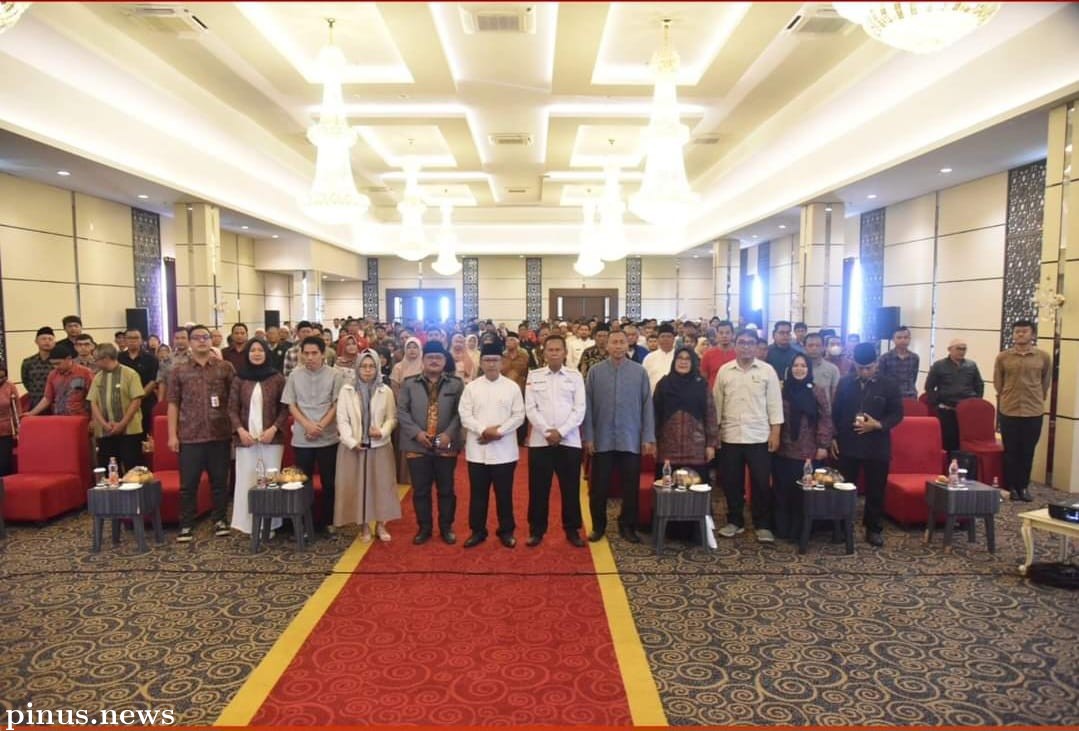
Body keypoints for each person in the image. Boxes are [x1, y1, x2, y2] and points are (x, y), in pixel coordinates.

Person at [583, 329, 655, 543]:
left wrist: (647, 437)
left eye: (621, 342)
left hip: (630, 439)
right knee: (599, 487)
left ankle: (627, 526)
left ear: (627, 345)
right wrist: (589, 437)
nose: (617, 346)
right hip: (602, 439)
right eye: (613, 342)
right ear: (607, 346)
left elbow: (647, 406)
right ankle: (598, 526)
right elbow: (587, 407)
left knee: (630, 487)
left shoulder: (639, 372)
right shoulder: (595, 372)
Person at [167, 324, 236, 542]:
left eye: (205, 337)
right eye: (196, 338)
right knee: (188, 484)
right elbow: (173, 403)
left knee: (220, 482)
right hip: (190, 435)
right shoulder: (179, 370)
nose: (202, 341)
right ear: (189, 342)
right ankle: (187, 523)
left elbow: (234, 401)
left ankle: (220, 520)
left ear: (211, 340)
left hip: (220, 434)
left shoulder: (225, 368)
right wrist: (172, 435)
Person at [713, 330, 784, 543]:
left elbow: (775, 404)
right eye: (742, 342)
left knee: (761, 483)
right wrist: (715, 434)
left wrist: (775, 433)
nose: (746, 346)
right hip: (730, 435)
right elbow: (716, 404)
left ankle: (762, 524)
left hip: (759, 436)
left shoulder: (767, 371)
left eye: (750, 343)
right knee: (731, 482)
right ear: (735, 345)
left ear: (756, 346)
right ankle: (735, 521)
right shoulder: (725, 371)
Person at [831, 343, 903, 547]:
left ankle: (873, 528)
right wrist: (833, 437)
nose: (864, 372)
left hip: (877, 445)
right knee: (844, 488)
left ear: (876, 363)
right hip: (848, 443)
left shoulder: (889, 385)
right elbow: (835, 413)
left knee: (875, 490)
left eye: (869, 368)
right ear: (854, 364)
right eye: (860, 368)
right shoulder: (845, 382)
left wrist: (878, 425)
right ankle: (843, 527)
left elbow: (897, 414)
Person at [397, 341, 464, 545]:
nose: (434, 361)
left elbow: (461, 412)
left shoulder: (456, 384)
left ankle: (446, 528)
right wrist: (417, 433)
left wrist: (449, 434)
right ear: (423, 360)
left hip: (446, 444)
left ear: (444, 360)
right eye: (430, 357)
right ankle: (424, 528)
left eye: (438, 357)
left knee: (446, 489)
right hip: (417, 444)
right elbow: (402, 411)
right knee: (420, 490)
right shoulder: (409, 383)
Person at [460, 342, 526, 548]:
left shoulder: (512, 387)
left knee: (504, 494)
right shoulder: (471, 388)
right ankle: (477, 531)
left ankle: (506, 531)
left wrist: (499, 432)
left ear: (502, 362)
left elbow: (519, 416)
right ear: (481, 363)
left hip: (504, 452)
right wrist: (483, 430)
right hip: (477, 451)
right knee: (478, 495)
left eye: (495, 360)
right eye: (487, 360)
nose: (491, 364)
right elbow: (465, 415)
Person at [524, 334, 586, 547]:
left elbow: (579, 409)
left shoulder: (575, 376)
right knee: (538, 488)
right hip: (540, 442)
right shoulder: (534, 376)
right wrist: (547, 431)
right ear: (544, 353)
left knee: (570, 489)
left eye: (558, 350)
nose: (554, 353)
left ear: (565, 353)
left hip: (569, 441)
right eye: (550, 350)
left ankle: (572, 530)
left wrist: (561, 432)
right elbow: (530, 408)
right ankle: (536, 530)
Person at [335, 348, 400, 541]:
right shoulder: (347, 390)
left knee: (382, 486)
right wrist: (351, 441)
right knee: (359, 487)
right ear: (357, 367)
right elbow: (342, 419)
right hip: (354, 447)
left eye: (372, 366)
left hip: (380, 446)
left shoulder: (385, 391)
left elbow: (392, 418)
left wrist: (382, 431)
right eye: (363, 366)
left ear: (377, 367)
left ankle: (381, 524)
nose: (368, 370)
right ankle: (363, 526)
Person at [282, 336, 343, 537]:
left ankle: (329, 521)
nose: (310, 357)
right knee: (303, 482)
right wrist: (307, 425)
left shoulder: (335, 375)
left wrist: (321, 426)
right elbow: (291, 404)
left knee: (330, 482)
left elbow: (337, 404)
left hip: (328, 436)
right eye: (306, 353)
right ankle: (303, 523)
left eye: (314, 353)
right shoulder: (294, 375)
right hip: (303, 437)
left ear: (323, 354)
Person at [227, 338, 288, 535]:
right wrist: (240, 431)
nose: (256, 353)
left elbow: (285, 408)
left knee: (269, 481)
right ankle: (248, 525)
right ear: (247, 354)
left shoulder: (277, 378)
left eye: (260, 350)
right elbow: (232, 408)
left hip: (271, 440)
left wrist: (273, 429)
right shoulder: (239, 378)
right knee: (247, 479)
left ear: (266, 353)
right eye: (252, 350)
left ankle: (270, 525)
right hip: (246, 440)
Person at [772, 353, 833, 541]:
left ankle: (801, 531)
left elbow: (825, 418)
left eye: (803, 366)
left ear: (809, 369)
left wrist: (823, 444)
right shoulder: (781, 390)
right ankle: (782, 529)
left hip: (808, 450)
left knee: (803, 493)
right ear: (789, 369)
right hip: (783, 449)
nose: (799, 369)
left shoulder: (817, 390)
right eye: (796, 365)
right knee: (783, 491)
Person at [994, 320, 1051, 502]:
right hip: (1009, 409)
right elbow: (998, 383)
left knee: (1027, 451)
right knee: (1011, 450)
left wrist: (1037, 397)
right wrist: (1006, 395)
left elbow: (1045, 381)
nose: (1020, 334)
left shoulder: (1043, 357)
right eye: (1017, 331)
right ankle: (1011, 486)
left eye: (1024, 331)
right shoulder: (1003, 357)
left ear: (1032, 334)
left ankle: (1023, 486)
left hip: (1033, 411)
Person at [654, 346, 718, 488]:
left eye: (687, 359)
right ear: (674, 361)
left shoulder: (701, 385)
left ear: (693, 362)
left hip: (696, 449)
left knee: (697, 488)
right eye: (680, 358)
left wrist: (711, 444)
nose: (683, 362)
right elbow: (655, 415)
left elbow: (710, 414)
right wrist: (653, 442)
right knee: (667, 489)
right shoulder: (663, 384)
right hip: (667, 448)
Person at [89, 343, 145, 474]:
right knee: (109, 468)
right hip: (105, 431)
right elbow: (93, 402)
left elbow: (136, 400)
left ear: (106, 359)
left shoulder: (130, 374)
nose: (95, 363)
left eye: (96, 360)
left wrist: (122, 424)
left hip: (129, 430)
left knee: (132, 467)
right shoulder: (98, 377)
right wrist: (105, 425)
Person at [924, 338, 984, 452]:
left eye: (964, 349)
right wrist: (936, 403)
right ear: (949, 349)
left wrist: (976, 401)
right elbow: (929, 387)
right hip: (947, 410)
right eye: (958, 349)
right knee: (948, 441)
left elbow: (979, 384)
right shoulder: (939, 365)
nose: (962, 351)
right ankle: (949, 462)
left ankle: (964, 462)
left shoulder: (971, 365)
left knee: (967, 441)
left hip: (967, 411)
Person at [26, 341, 93, 417]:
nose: (55, 367)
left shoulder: (85, 373)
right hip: (59, 417)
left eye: (58, 363)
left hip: (81, 417)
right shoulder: (52, 374)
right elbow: (47, 398)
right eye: (53, 364)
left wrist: (94, 418)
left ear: (68, 359)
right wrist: (31, 413)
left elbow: (94, 398)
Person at [118, 328, 159, 440]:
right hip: (124, 402)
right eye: (129, 338)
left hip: (145, 401)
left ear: (141, 340)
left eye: (136, 338)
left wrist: (138, 397)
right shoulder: (118, 358)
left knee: (145, 435)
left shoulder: (151, 359)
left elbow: (153, 381)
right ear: (125, 340)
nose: (132, 341)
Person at [877, 325, 920, 399]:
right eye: (899, 338)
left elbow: (914, 378)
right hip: (891, 396)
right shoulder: (885, 358)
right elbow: (881, 379)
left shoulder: (915, 357)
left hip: (910, 395)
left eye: (906, 337)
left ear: (910, 339)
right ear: (893, 339)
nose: (903, 340)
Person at [21, 326, 55, 411]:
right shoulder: (28, 362)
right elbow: (26, 381)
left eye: (50, 339)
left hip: (55, 404)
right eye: (43, 339)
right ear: (36, 341)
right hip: (35, 403)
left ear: (54, 342)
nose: (47, 341)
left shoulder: (58, 362)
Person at [156, 327, 190, 404]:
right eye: (177, 338)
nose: (180, 341)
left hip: (192, 400)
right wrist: (160, 402)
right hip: (172, 399)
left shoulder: (195, 357)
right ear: (173, 340)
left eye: (183, 338)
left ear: (189, 339)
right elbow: (162, 382)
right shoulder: (167, 359)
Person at [803, 333, 840, 404]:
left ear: (823, 347)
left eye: (818, 345)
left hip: (825, 409)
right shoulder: (796, 368)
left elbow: (834, 395)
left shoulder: (833, 369)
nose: (814, 348)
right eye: (810, 345)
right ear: (804, 347)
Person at [700, 320, 736, 389]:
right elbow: (704, 377)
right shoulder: (708, 354)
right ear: (717, 334)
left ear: (733, 334)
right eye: (721, 333)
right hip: (714, 392)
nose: (724, 336)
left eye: (727, 333)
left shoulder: (739, 354)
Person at [642, 323, 676, 393]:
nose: (665, 339)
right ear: (658, 339)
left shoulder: (679, 356)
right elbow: (643, 380)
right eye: (662, 336)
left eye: (669, 336)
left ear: (673, 339)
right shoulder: (649, 358)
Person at [0, 361, 21, 476]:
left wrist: (18, 428)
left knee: (4, 464)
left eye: (3, 377)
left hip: (5, 431)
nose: (0, 380)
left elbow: (16, 408)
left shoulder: (10, 386)